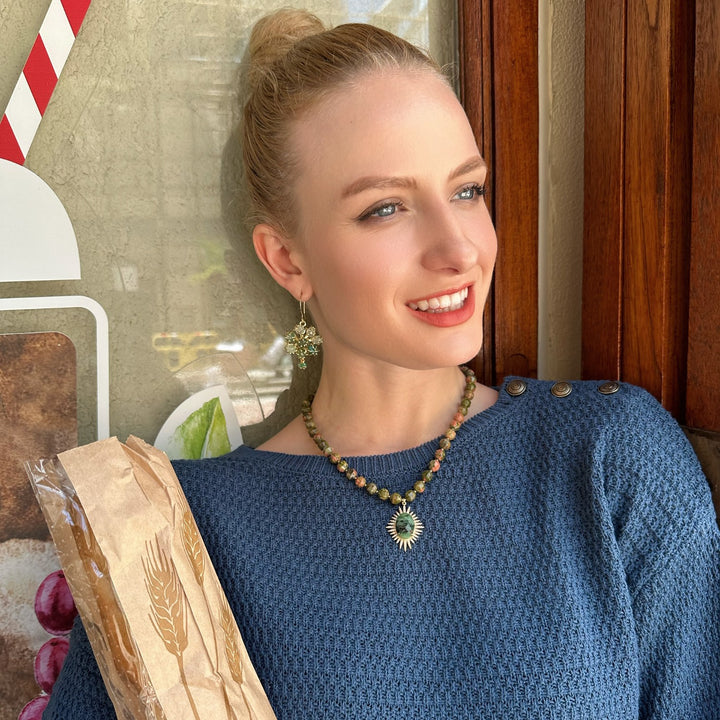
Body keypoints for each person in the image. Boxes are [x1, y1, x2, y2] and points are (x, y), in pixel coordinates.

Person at [45, 9, 720, 719]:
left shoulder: (611, 459)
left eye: (467, 190)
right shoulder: (173, 536)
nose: (458, 249)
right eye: (386, 209)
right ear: (288, 259)